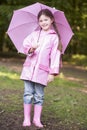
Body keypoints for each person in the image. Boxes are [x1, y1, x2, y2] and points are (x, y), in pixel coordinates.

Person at [20, 8, 62, 128]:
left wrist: (52, 73)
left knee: (39, 95)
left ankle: (36, 119)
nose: (43, 22)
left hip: (42, 71)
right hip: (29, 70)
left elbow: (55, 56)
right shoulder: (34, 34)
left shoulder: (54, 37)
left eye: (46, 20)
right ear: (38, 22)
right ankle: (26, 119)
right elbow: (25, 46)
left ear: (52, 20)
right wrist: (31, 48)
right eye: (41, 20)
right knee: (28, 94)